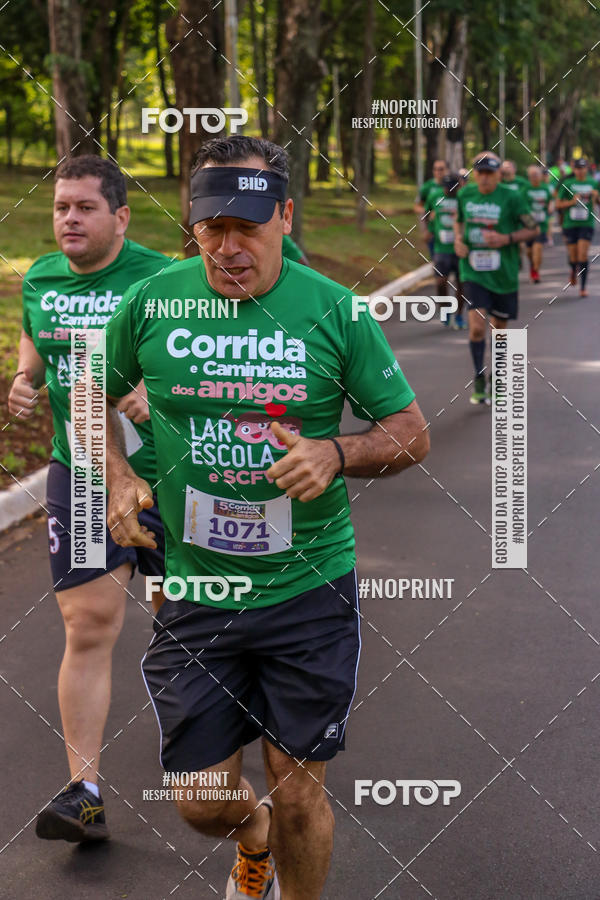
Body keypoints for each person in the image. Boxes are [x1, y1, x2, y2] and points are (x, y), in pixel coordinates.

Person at [103, 134, 429, 900]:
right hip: (196, 589)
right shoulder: (153, 302)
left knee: (297, 790)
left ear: (285, 215)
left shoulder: (334, 312)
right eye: (211, 227)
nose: (228, 246)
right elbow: (90, 392)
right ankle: (249, 843)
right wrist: (115, 474)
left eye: (247, 226)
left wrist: (337, 455)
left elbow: (410, 431)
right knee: (201, 804)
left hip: (307, 590)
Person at [7, 155, 169, 843]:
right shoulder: (42, 276)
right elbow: (37, 341)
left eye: (84, 208)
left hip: (176, 479)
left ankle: (239, 773)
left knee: (195, 626)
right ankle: (86, 792)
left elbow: (219, 348)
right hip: (81, 472)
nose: (69, 218)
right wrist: (24, 378)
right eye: (60, 207)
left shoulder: (165, 278)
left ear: (121, 217)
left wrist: (156, 389)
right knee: (89, 624)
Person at [454, 151, 539, 405]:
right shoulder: (465, 194)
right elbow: (458, 222)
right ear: (475, 174)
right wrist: (458, 240)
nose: (484, 178)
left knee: (499, 332)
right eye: (480, 173)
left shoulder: (512, 197)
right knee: (478, 327)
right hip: (474, 271)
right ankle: (479, 376)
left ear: (498, 174)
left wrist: (506, 239)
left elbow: (532, 227)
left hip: (504, 274)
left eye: (490, 173)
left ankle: (498, 378)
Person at [428, 172, 466, 328]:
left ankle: (458, 315)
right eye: (447, 187)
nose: (449, 191)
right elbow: (426, 213)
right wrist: (427, 230)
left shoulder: (464, 198)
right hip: (441, 248)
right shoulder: (435, 196)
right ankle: (445, 310)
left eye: (453, 188)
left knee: (461, 283)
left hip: (460, 247)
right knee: (440, 281)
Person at [556, 158, 598, 297]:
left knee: (583, 255)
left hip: (586, 224)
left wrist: (597, 196)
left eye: (583, 168)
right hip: (570, 224)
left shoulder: (593, 183)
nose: (580, 171)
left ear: (587, 169)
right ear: (574, 170)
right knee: (573, 256)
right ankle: (573, 270)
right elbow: (558, 204)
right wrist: (572, 202)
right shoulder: (568, 183)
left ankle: (583, 287)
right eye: (578, 168)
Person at [523, 165, 554, 282]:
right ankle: (532, 267)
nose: (534, 178)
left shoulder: (545, 188)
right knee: (529, 251)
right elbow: (520, 204)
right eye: (532, 176)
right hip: (528, 225)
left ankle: (536, 271)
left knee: (538, 249)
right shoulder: (526, 189)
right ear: (529, 177)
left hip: (541, 224)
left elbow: (551, 200)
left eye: (536, 175)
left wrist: (550, 206)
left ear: (540, 176)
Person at [414, 159, 448, 257]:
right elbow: (417, 206)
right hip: (432, 229)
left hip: (449, 229)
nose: (438, 172)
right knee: (436, 258)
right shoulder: (427, 187)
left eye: (441, 169)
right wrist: (428, 211)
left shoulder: (452, 186)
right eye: (436, 169)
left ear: (446, 170)